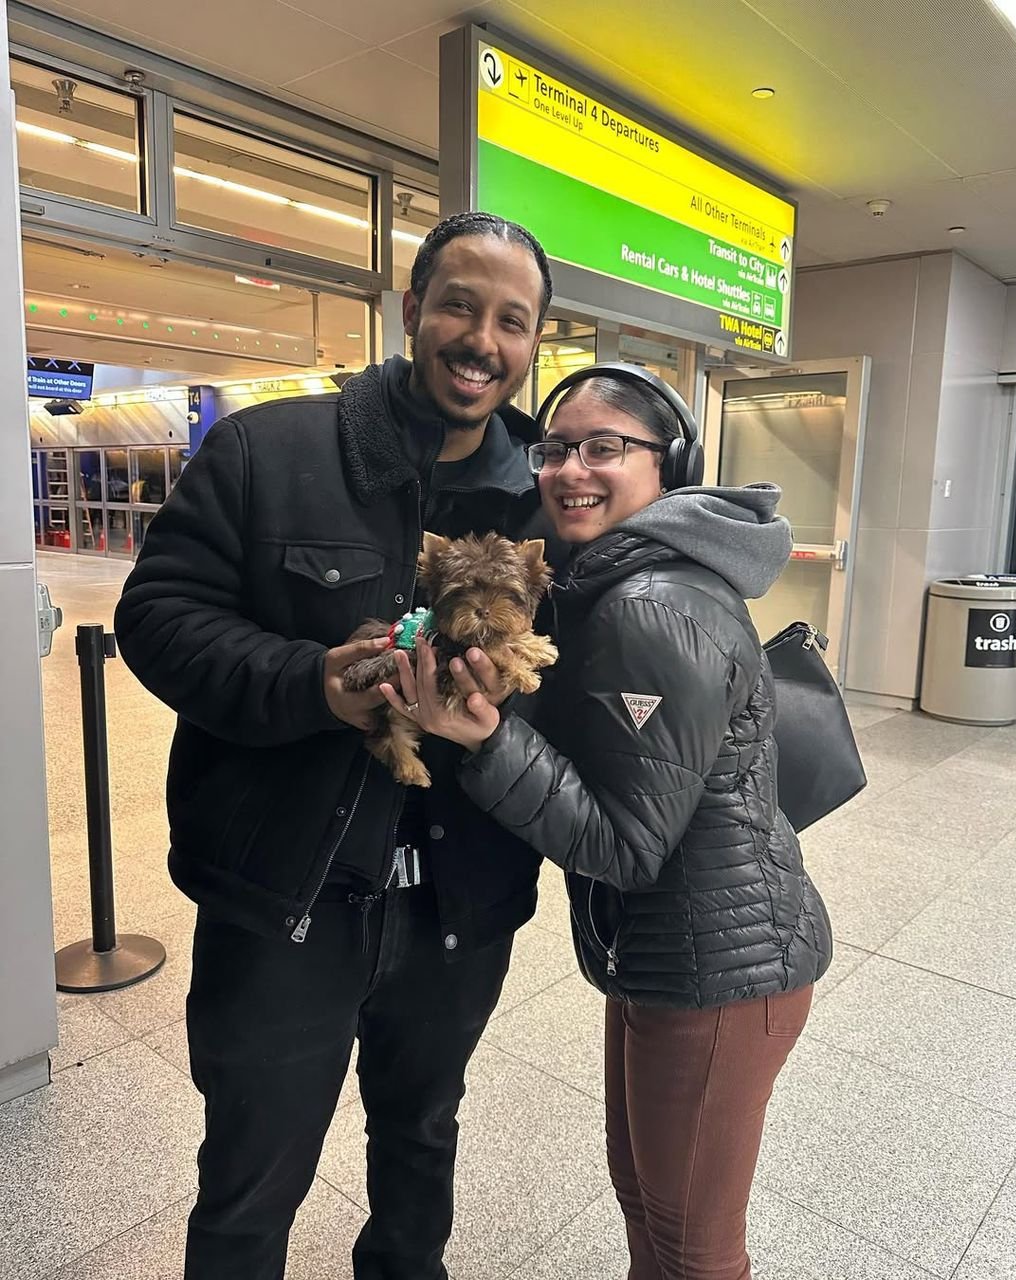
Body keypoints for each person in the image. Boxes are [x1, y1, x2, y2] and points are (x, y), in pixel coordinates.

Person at [113, 211, 555, 1280]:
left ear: (534, 340)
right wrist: (311, 684)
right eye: (458, 305)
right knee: (250, 1181)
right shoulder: (269, 449)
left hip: (459, 908)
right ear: (410, 309)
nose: (480, 340)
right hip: (285, 900)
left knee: (421, 1146)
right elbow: (158, 617)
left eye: (512, 320)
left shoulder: (546, 496)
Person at [382, 363, 833, 1280]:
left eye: (604, 447)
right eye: (554, 449)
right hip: (677, 952)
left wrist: (487, 739)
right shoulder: (623, 578)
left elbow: (627, 847)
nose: (569, 470)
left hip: (718, 972)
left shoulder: (650, 606)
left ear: (670, 464)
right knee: (651, 1211)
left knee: (694, 1248)